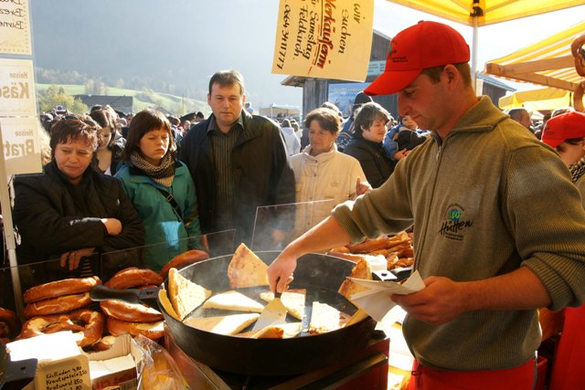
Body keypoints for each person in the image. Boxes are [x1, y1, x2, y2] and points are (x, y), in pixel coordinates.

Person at [267, 21, 585, 389]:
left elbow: (571, 265)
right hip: (427, 364)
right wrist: (296, 249)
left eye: (410, 91)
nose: (401, 108)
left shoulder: (518, 155)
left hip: (490, 377)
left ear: (450, 76)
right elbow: (366, 213)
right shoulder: (425, 155)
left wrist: (466, 298)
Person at [12, 117, 144, 283]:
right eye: (66, 151)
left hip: (108, 283)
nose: (73, 159)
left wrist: (95, 248)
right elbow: (44, 232)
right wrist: (104, 225)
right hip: (50, 285)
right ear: (54, 150)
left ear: (92, 154)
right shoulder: (31, 183)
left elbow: (136, 233)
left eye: (82, 153)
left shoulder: (110, 186)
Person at [179, 69, 295, 250]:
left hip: (258, 231)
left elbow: (285, 181)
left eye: (232, 98)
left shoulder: (267, 131)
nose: (226, 105)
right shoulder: (194, 138)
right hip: (213, 234)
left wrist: (282, 226)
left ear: (243, 99)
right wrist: (196, 231)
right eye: (219, 98)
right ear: (209, 99)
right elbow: (186, 190)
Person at [116, 109, 204, 272]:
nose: (160, 143)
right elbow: (126, 231)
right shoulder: (125, 179)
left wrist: (197, 251)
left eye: (164, 137)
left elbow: (191, 215)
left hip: (182, 259)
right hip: (147, 265)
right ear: (136, 140)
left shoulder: (181, 170)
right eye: (152, 138)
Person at [290, 107, 370, 239]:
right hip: (295, 243)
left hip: (331, 246)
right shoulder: (293, 163)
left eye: (322, 133)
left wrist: (364, 195)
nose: (315, 137)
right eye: (312, 132)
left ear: (335, 135)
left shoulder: (350, 165)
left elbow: (358, 207)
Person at [343, 102, 396, 188]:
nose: (383, 129)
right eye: (377, 125)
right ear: (363, 127)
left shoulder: (378, 144)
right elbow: (376, 185)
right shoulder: (357, 151)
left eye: (384, 125)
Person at [541, 110, 585, 203]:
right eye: (549, 151)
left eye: (559, 150)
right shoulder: (572, 174)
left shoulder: (581, 182)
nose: (553, 157)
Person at [89, 108, 126, 175]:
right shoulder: (83, 154)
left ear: (112, 134)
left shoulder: (120, 153)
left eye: (106, 136)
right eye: (97, 135)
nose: (101, 140)